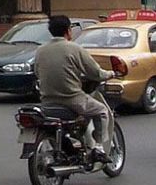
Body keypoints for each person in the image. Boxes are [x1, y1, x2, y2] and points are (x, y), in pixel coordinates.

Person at [34, 15, 116, 163]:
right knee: (101, 111)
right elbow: (95, 73)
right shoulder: (74, 48)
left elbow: (37, 72)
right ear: (68, 30)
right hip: (72, 100)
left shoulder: (40, 50)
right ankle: (98, 148)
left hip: (47, 101)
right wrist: (111, 74)